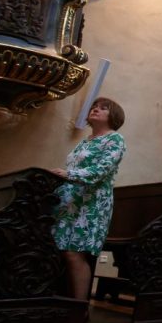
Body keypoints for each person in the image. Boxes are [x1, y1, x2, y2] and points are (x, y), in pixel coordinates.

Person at [52, 97, 126, 302]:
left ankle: (79, 307)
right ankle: (61, 301)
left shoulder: (115, 139)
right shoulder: (86, 141)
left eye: (103, 108)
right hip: (70, 203)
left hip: (90, 204)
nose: (95, 109)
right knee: (62, 251)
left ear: (114, 116)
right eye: (94, 106)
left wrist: (67, 174)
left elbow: (99, 171)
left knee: (74, 252)